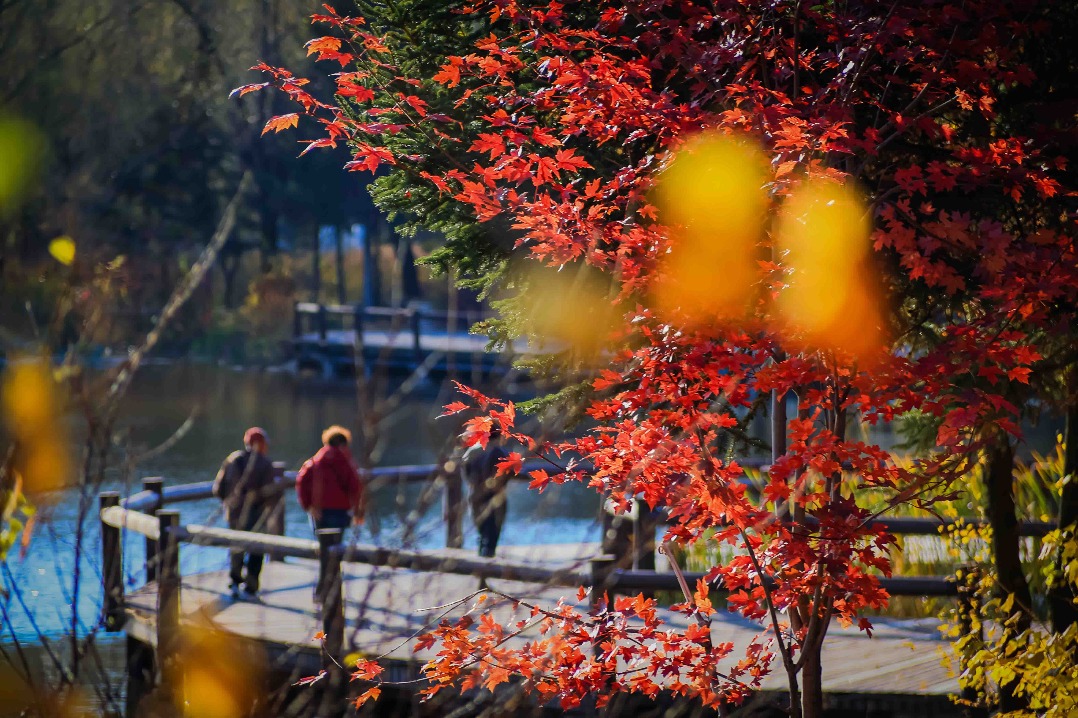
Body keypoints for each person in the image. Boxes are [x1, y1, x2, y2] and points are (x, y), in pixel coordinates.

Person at [212, 427, 276, 600]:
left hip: (234, 514)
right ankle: (251, 586)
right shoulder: (265, 464)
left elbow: (218, 488)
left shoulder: (233, 460)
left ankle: (234, 580)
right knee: (256, 549)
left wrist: (229, 503)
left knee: (236, 547)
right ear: (260, 444)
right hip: (257, 515)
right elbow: (269, 493)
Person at [296, 425, 365, 533]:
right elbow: (355, 487)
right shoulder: (347, 463)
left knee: (322, 544)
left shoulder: (315, 462)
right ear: (344, 444)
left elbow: (301, 482)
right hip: (341, 511)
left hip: (319, 511)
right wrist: (358, 512)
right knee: (337, 545)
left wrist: (308, 506)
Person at [461, 427, 510, 559]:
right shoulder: (500, 451)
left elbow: (466, 471)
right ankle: (488, 556)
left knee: (481, 527)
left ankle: (482, 551)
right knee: (493, 530)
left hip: (475, 494)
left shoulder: (472, 452)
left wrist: (473, 484)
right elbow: (508, 472)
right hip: (496, 494)